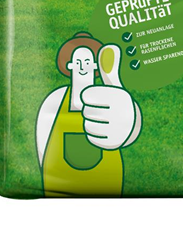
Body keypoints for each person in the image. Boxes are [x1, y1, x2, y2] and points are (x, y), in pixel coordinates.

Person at [36, 32, 142, 196]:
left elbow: (129, 124)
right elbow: (42, 135)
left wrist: (130, 122)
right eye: (78, 63)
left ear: (94, 66)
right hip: (57, 187)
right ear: (70, 66)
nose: (82, 67)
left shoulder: (110, 98)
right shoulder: (57, 98)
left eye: (87, 63)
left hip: (109, 184)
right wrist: (43, 169)